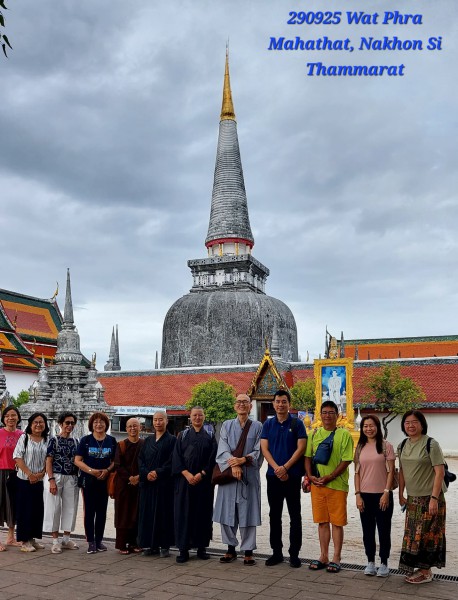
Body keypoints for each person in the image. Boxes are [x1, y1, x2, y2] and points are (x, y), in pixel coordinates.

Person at [213, 394, 263, 566]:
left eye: (245, 402)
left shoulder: (258, 426)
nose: (242, 405)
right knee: (227, 511)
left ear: (250, 406)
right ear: (234, 406)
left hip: (248, 474)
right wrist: (234, 465)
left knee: (249, 512)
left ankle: (248, 551)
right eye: (239, 402)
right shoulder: (227, 425)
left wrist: (243, 460)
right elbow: (223, 448)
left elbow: (259, 450)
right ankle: (230, 549)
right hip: (229, 474)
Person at [305, 400, 353, 574]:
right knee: (322, 522)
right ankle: (323, 555)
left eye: (331, 413)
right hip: (318, 484)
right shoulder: (313, 434)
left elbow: (346, 460)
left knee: (337, 523)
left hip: (337, 485)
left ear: (337, 415)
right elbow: (307, 457)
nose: (327, 416)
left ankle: (336, 557)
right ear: (320, 415)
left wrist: (330, 477)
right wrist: (310, 476)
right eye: (324, 412)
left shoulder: (344, 434)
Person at [398, 410, 446, 584]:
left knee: (428, 534)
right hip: (413, 498)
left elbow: (439, 472)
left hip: (430, 498)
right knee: (413, 535)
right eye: (407, 422)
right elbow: (401, 471)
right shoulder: (402, 445)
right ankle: (421, 568)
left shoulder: (431, 444)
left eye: (414, 422)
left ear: (422, 424)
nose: (410, 425)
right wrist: (400, 493)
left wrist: (434, 498)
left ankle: (426, 572)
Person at [260, 389, 307, 568]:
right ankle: (276, 552)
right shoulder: (268, 424)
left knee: (295, 515)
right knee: (274, 515)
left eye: (284, 401)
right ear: (273, 404)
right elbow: (264, 448)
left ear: (289, 404)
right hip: (273, 476)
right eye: (278, 401)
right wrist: (276, 468)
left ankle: (294, 554)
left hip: (292, 476)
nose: (280, 404)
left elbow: (301, 448)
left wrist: (286, 467)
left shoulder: (297, 423)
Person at [172, 406, 217, 563]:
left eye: (200, 415)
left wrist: (202, 473)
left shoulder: (210, 436)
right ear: (190, 417)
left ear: (204, 417)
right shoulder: (182, 435)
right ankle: (183, 549)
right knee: (183, 514)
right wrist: (186, 474)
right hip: (184, 482)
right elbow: (176, 457)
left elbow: (213, 458)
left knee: (202, 514)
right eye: (194, 415)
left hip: (203, 483)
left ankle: (201, 547)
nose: (197, 418)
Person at [354, 415, 395, 577]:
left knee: (384, 530)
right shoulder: (360, 447)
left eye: (371, 426)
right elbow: (356, 473)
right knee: (367, 530)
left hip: (382, 495)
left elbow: (391, 472)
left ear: (377, 427)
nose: (368, 429)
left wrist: (386, 492)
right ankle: (370, 561)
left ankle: (384, 562)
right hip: (365, 495)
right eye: (365, 426)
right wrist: (357, 495)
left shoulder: (386, 446)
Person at [74, 412, 117, 554]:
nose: (99, 424)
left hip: (104, 480)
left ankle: (99, 541)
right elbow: (77, 460)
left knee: (102, 511)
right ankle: (90, 542)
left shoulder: (111, 441)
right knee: (89, 511)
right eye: (96, 422)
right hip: (88, 480)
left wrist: (107, 470)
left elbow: (115, 461)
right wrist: (91, 471)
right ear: (91, 425)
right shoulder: (85, 440)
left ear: (106, 424)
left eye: (101, 422)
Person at [138, 411, 176, 557]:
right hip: (148, 483)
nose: (158, 422)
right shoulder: (147, 440)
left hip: (164, 484)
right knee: (147, 514)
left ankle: (164, 546)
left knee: (163, 515)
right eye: (155, 420)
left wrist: (158, 472)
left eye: (161, 420)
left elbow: (173, 461)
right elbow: (140, 460)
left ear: (167, 421)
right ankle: (149, 545)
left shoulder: (172, 440)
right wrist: (146, 473)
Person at [44, 411, 80, 553]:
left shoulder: (76, 441)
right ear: (60, 424)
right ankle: (55, 541)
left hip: (71, 477)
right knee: (54, 508)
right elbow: (48, 461)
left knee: (71, 507)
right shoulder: (54, 440)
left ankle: (66, 539)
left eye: (72, 423)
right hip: (56, 476)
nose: (70, 425)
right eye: (67, 423)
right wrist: (51, 480)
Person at [13, 412, 49, 552]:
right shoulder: (24, 438)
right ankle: (24, 541)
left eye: (41, 422)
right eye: (35, 422)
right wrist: (29, 474)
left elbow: (49, 459)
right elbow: (17, 457)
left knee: (37, 510)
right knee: (24, 510)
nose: (38, 425)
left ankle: (33, 539)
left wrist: (42, 473)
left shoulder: (47, 439)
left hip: (39, 480)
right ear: (30, 424)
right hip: (24, 480)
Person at [113, 417, 144, 554]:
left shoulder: (144, 444)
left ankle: (133, 543)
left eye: (135, 426)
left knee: (135, 514)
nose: (133, 428)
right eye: (130, 426)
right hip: (123, 486)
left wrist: (138, 477)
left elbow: (147, 463)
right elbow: (118, 465)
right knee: (122, 514)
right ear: (126, 429)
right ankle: (121, 544)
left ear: (140, 428)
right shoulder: (121, 445)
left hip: (139, 484)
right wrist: (130, 478)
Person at [0, 405, 23, 550]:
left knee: (13, 505)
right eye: (7, 416)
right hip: (1, 471)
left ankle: (10, 537)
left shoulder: (22, 435)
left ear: (18, 417)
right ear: (3, 419)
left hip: (17, 473)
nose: (10, 418)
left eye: (13, 415)